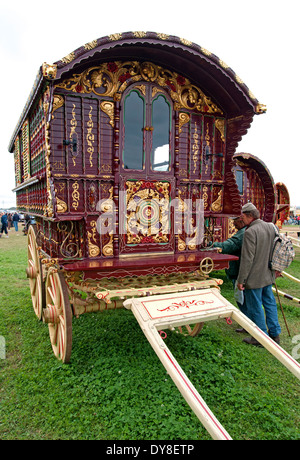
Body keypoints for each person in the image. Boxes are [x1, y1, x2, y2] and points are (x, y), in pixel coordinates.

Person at [237, 202, 281, 346]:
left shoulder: (250, 232)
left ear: (249, 216)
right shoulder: (270, 226)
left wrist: (241, 279)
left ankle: (260, 337)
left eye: (242, 216)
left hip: (254, 278)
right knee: (270, 304)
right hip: (268, 275)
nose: (241, 219)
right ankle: (275, 334)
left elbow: (247, 259)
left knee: (255, 306)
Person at [213, 216, 248, 326]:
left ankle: (247, 323)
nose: (233, 224)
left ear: (242, 220)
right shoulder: (246, 231)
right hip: (246, 270)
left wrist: (211, 244)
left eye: (235, 221)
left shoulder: (242, 234)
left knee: (242, 299)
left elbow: (229, 246)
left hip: (239, 270)